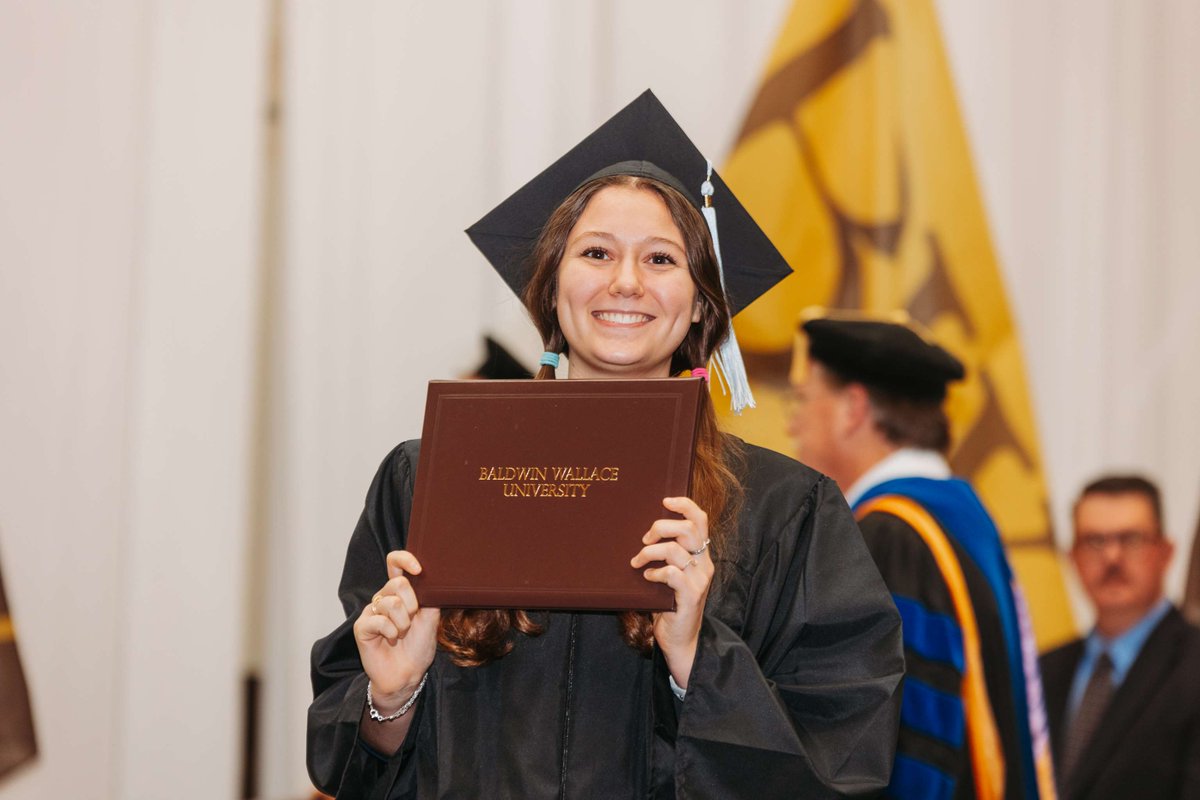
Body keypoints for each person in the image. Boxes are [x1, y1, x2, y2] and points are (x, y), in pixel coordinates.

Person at [306, 91, 904, 799]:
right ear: (551, 286)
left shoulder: (786, 513)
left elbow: (843, 764)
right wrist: (392, 698)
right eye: (596, 253)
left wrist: (697, 658)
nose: (626, 282)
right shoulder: (430, 478)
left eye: (660, 259)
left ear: (701, 305)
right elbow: (349, 754)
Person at [787, 313, 1055, 800]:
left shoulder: (892, 534)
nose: (792, 423)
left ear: (853, 409)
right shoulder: (959, 513)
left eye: (805, 399)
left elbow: (910, 732)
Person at [1039, 475, 1200, 799]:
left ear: (1165, 552)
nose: (1112, 557)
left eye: (1131, 539)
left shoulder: (1193, 666)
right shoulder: (1043, 670)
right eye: (1094, 541)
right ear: (1073, 557)